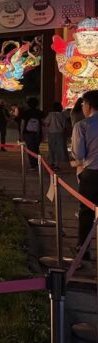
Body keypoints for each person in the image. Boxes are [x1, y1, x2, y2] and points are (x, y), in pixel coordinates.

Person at [72, 90, 98, 261]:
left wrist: (76, 163)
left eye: (82, 104)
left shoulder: (83, 126)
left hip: (92, 174)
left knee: (87, 213)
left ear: (88, 105)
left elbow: (78, 154)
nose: (82, 107)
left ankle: (84, 249)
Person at [19, 97, 44, 170]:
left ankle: (33, 165)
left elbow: (22, 124)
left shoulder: (26, 113)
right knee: (36, 148)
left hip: (27, 133)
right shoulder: (40, 113)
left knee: (30, 149)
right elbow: (43, 124)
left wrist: (21, 134)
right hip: (37, 133)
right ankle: (37, 163)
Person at [44, 102, 69, 171]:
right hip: (61, 133)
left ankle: (51, 162)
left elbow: (46, 122)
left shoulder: (50, 114)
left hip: (51, 133)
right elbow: (65, 125)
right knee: (59, 149)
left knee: (52, 148)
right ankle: (57, 164)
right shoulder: (63, 115)